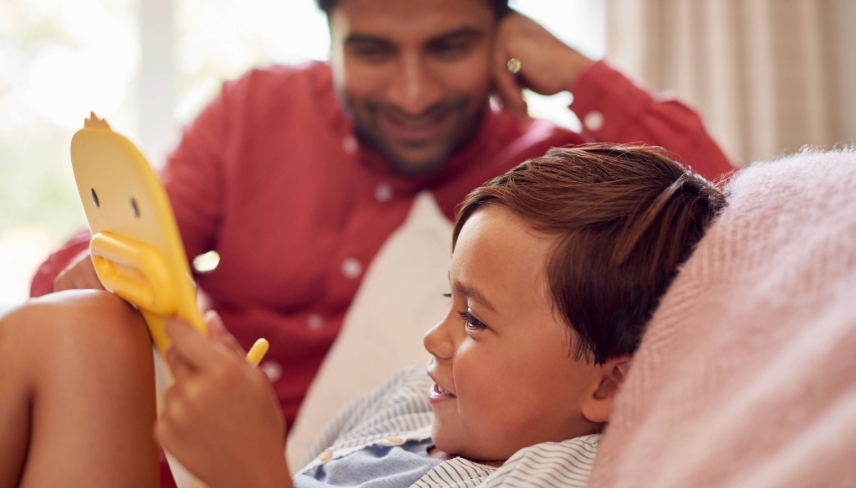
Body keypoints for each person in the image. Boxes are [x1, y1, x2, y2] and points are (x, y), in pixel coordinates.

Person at [28, 0, 733, 472]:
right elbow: (112, 245)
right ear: (329, 39)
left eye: (449, 47)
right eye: (372, 52)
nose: (412, 93)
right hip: (170, 451)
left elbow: (726, 227)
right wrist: (102, 277)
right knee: (75, 323)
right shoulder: (254, 111)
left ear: (502, 37)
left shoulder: (548, 181)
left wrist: (585, 77)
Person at [0, 145, 727, 487]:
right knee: (82, 326)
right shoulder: (412, 403)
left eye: (476, 321)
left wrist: (250, 473)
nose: (435, 339)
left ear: (607, 385)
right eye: (452, 300)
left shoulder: (557, 474)